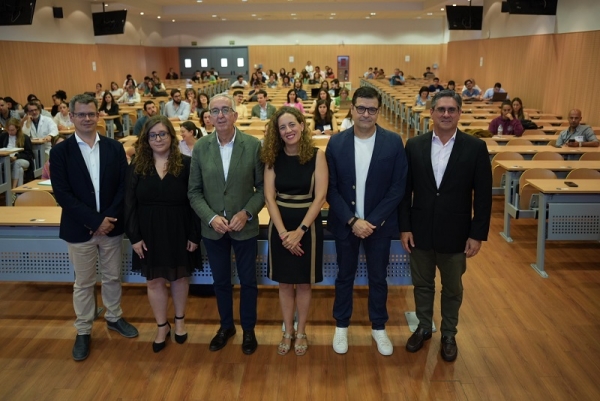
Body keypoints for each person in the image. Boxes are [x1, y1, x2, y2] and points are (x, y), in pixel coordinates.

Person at [400, 90, 492, 362]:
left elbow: (483, 196)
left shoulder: (474, 147)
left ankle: (449, 333)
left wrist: (477, 234)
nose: (446, 114)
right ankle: (424, 326)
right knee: (422, 284)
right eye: (441, 109)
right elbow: (405, 192)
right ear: (431, 112)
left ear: (459, 113)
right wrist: (404, 227)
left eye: (452, 109)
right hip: (420, 230)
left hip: (456, 232)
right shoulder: (414, 145)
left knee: (452, 288)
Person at [51, 93, 139, 361]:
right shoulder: (60, 152)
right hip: (80, 229)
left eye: (91, 113)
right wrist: (93, 220)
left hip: (111, 226)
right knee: (84, 282)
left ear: (98, 115)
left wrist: (106, 219)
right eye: (81, 114)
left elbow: (124, 187)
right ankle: (84, 330)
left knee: (112, 277)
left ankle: (114, 316)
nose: (87, 118)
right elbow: (62, 193)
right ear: (72, 117)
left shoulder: (114, 148)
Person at [326, 86, 408, 356]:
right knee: (344, 277)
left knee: (378, 277)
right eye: (360, 108)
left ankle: (379, 327)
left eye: (372, 109)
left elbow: (398, 187)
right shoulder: (336, 143)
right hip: (345, 224)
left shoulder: (393, 142)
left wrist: (370, 221)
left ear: (378, 111)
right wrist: (352, 221)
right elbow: (331, 189)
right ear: (352, 108)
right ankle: (341, 325)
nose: (366, 114)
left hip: (379, 226)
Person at [188, 94, 265, 355]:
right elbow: (194, 191)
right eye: (214, 110)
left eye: (225, 110)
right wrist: (210, 217)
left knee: (248, 282)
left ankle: (249, 330)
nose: (220, 115)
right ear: (208, 117)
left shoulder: (253, 145)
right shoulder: (200, 148)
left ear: (235, 115)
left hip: (244, 227)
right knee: (220, 282)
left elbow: (263, 188)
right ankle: (226, 326)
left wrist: (246, 212)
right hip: (213, 229)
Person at [125, 115, 200, 353]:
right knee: (154, 280)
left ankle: (179, 321)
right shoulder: (137, 166)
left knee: (179, 277)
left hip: (179, 228)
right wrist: (134, 237)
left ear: (171, 136)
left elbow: (195, 201)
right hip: (147, 232)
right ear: (146, 140)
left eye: (163, 134)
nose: (158, 139)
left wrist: (194, 235)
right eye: (153, 135)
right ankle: (161, 325)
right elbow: (128, 204)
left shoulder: (186, 165)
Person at [261, 106, 327, 356]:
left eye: (292, 124)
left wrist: (299, 231)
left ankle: (302, 331)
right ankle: (288, 330)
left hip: (307, 226)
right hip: (279, 224)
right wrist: (283, 234)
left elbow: (320, 197)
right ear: (277, 133)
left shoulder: (317, 155)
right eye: (282, 127)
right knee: (285, 284)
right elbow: (269, 197)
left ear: (302, 125)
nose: (288, 130)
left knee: (304, 284)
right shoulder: (272, 157)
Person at [0, 118, 34, 187]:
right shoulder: (3, 136)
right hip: (7, 159)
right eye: (8, 130)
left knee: (17, 163)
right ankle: (17, 193)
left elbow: (29, 154)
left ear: (17, 128)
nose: (10, 132)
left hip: (23, 160)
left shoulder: (25, 138)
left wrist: (16, 157)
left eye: (12, 130)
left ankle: (13, 188)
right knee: (20, 170)